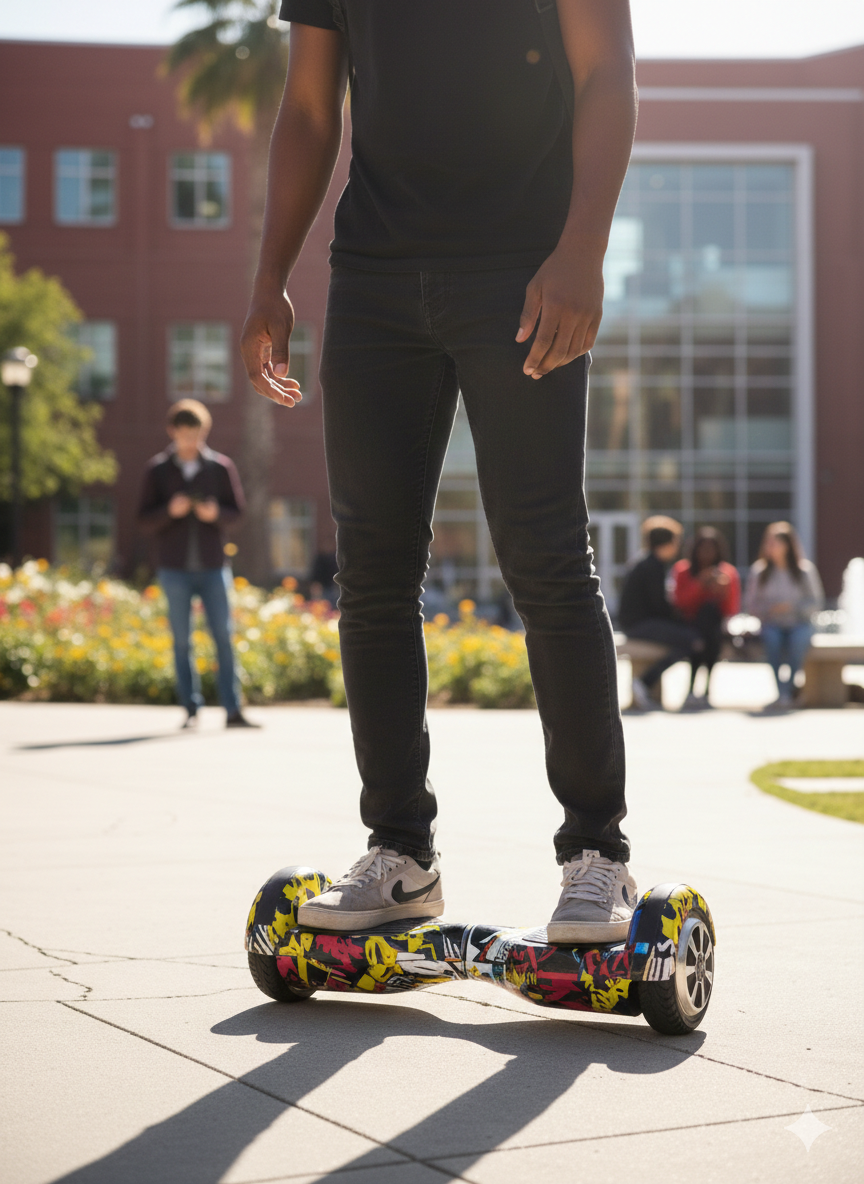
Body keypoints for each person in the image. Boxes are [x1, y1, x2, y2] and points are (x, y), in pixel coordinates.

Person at [240, 0, 640, 942]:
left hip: (523, 268)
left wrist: (582, 247)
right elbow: (307, 107)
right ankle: (401, 855)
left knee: (545, 559)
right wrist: (270, 276)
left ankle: (597, 857)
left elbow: (606, 73)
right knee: (371, 577)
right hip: (375, 273)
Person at [138, 400, 259, 730]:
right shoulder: (158, 470)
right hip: (173, 569)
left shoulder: (220, 467)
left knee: (223, 635)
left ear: (205, 432)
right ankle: (190, 709)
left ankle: (232, 710)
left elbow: (238, 513)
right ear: (172, 432)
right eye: (185, 434)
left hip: (212, 567)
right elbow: (143, 520)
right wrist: (169, 512)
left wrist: (215, 514)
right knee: (182, 640)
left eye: (197, 434)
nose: (191, 441)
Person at [618, 517, 701, 711]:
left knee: (688, 641)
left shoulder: (645, 562)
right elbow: (659, 606)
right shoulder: (651, 566)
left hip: (637, 623)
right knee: (692, 641)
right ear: (668, 543)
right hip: (639, 626)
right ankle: (644, 682)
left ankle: (644, 684)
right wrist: (681, 620)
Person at [745, 521, 824, 706]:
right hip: (771, 623)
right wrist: (770, 610)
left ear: (788, 545)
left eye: (775, 543)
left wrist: (793, 607)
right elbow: (751, 604)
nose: (770, 547)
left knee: (798, 640)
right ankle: (784, 692)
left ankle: (788, 690)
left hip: (799, 622)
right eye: (768, 543)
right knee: (771, 640)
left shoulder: (804, 570)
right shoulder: (760, 572)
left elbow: (816, 602)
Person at [672, 527, 740, 709]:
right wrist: (700, 583)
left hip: (715, 628)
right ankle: (695, 688)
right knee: (700, 636)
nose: (707, 554)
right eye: (703, 548)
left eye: (712, 549)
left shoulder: (728, 573)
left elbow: (731, 608)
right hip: (690, 624)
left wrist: (722, 590)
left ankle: (704, 689)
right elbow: (681, 602)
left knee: (710, 631)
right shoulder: (683, 570)